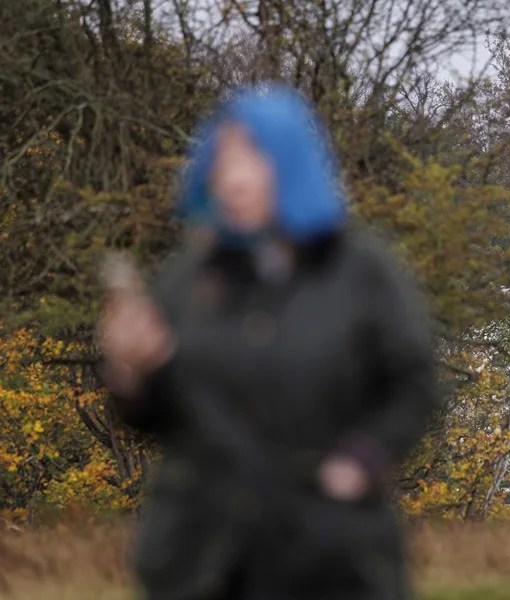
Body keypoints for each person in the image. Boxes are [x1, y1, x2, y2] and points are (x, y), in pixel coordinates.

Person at [99, 84, 438, 600]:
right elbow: (158, 417)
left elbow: (414, 385)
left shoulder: (361, 273)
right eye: (223, 157)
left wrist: (363, 460)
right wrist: (133, 374)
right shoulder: (187, 280)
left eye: (253, 156)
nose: (233, 177)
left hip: (328, 558)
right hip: (199, 559)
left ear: (294, 164)